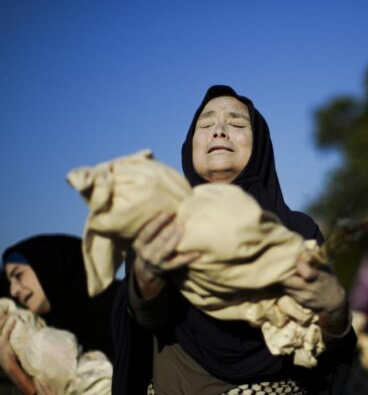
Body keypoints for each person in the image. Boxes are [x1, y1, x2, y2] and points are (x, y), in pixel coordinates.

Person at [111, 85, 355, 395]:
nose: (220, 131)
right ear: (189, 145)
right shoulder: (160, 226)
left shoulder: (297, 232)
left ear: (260, 147)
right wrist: (147, 276)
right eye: (206, 123)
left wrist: (334, 309)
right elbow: (145, 318)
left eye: (237, 124)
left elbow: (326, 344)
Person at [0, 234, 118, 393]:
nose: (13, 291)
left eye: (18, 275)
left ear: (49, 266)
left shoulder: (123, 309)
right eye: (10, 282)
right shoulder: (46, 335)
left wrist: (18, 377)